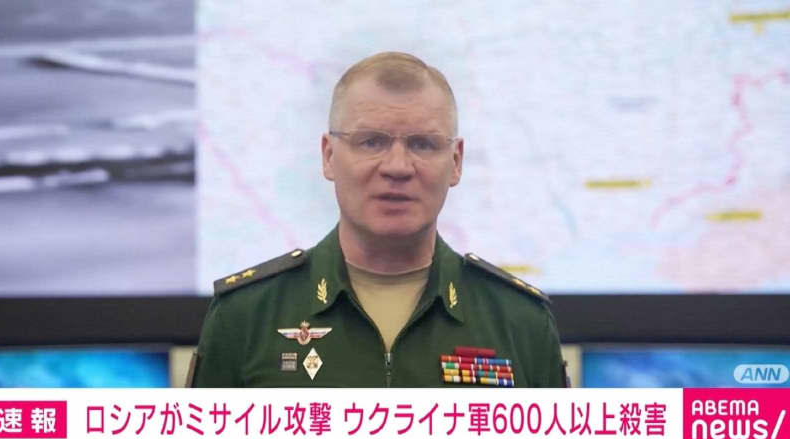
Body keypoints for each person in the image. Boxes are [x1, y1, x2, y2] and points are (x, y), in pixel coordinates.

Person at [188, 51, 567, 387]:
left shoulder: (520, 322)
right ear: (328, 156)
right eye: (371, 141)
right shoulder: (245, 317)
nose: (397, 167)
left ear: (456, 162)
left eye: (423, 144)